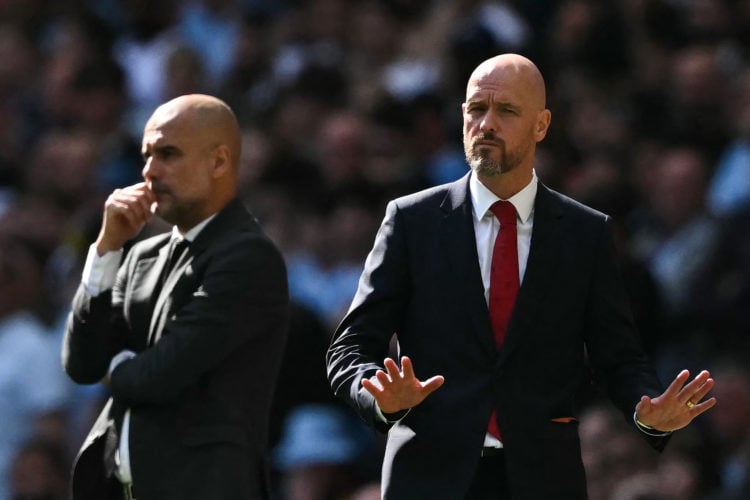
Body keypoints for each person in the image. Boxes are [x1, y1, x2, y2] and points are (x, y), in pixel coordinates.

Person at [326, 53, 717, 499]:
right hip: (429, 479)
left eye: (506, 110)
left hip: (544, 480)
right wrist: (377, 395)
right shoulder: (411, 221)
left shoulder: (586, 233)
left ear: (541, 125)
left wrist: (647, 412)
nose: (486, 123)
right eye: (477, 108)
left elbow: (618, 358)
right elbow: (351, 346)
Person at [62, 94, 289, 500]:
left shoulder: (249, 257)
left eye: (168, 154)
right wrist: (106, 249)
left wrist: (115, 368)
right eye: (146, 156)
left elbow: (160, 376)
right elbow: (81, 363)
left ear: (219, 162)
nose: (150, 171)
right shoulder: (140, 256)